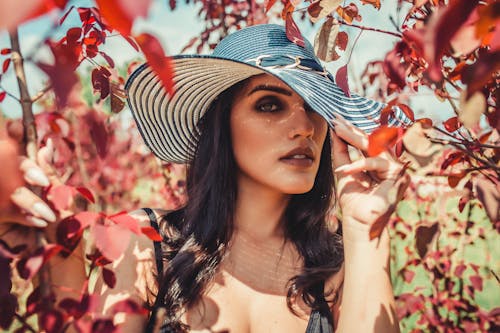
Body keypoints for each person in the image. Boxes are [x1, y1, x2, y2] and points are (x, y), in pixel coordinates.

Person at [1, 24, 411, 332]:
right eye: (270, 104)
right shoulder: (146, 243)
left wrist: (367, 231)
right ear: (220, 125)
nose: (304, 126)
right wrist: (64, 259)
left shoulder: (337, 261)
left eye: (314, 106)